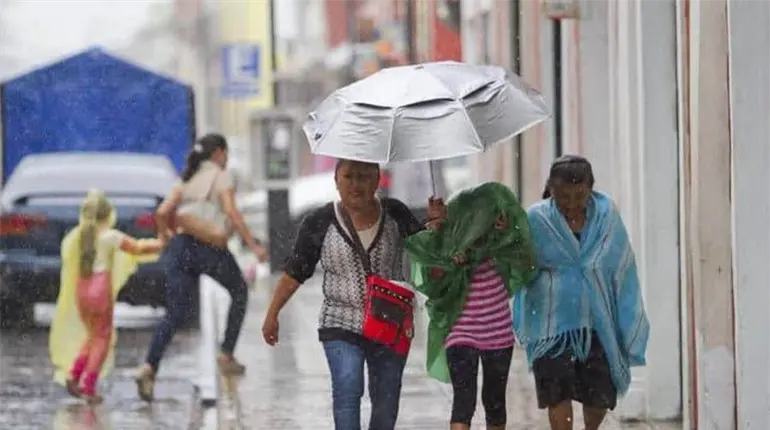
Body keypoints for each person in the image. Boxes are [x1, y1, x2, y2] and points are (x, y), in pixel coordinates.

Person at [261, 159, 446, 430]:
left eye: (364, 176)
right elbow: (295, 272)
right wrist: (272, 314)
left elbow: (426, 253)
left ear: (377, 179)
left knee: (386, 400)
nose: (356, 184)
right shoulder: (319, 221)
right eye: (348, 176)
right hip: (340, 323)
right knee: (348, 387)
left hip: (390, 323)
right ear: (336, 180)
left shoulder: (395, 213)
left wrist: (436, 225)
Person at [513, 155, 650, 430]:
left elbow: (622, 265)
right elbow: (520, 266)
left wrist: (627, 321)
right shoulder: (536, 219)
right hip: (550, 326)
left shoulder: (606, 216)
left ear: (591, 189)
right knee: (557, 394)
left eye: (579, 195)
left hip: (598, 322)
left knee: (599, 396)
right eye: (564, 196)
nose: (572, 203)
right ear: (551, 190)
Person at [135, 133, 267, 402]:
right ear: (218, 153)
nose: (226, 159)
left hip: (182, 247)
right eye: (225, 154)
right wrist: (253, 245)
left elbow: (162, 212)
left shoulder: (186, 178)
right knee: (239, 291)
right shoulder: (221, 175)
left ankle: (149, 366)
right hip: (210, 248)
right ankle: (226, 354)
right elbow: (231, 212)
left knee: (174, 313)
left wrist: (164, 237)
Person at [405, 182, 535, 430]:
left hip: (498, 334)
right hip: (461, 332)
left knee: (495, 401)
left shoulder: (501, 244)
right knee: (464, 400)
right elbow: (431, 278)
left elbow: (524, 255)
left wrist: (508, 229)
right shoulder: (449, 243)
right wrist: (438, 232)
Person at [50, 189, 164, 404]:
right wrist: (162, 243)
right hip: (100, 290)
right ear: (107, 215)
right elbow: (138, 248)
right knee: (103, 338)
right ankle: (88, 385)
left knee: (92, 335)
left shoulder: (78, 237)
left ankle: (74, 374)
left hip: (82, 289)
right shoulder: (110, 236)